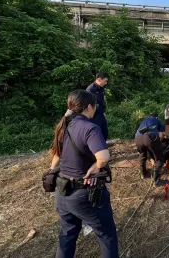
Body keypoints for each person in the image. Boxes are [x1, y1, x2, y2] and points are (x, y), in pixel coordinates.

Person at [49, 89, 118, 258]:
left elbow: (56, 155)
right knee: (106, 235)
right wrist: (95, 167)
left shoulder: (64, 124)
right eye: (95, 106)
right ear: (89, 107)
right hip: (84, 193)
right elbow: (103, 157)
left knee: (67, 233)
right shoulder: (90, 127)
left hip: (62, 190)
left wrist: (52, 172)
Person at [135, 113, 165, 186]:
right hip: (149, 136)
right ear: (157, 117)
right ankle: (156, 181)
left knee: (142, 154)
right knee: (160, 158)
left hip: (137, 138)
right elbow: (162, 134)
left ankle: (143, 174)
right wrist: (160, 142)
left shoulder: (144, 121)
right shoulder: (158, 121)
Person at [86, 72, 109, 140]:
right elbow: (89, 105)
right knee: (97, 134)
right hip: (94, 116)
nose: (106, 83)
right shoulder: (90, 90)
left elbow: (101, 101)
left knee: (105, 132)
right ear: (99, 79)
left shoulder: (101, 88)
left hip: (101, 114)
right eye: (105, 81)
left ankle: (103, 147)